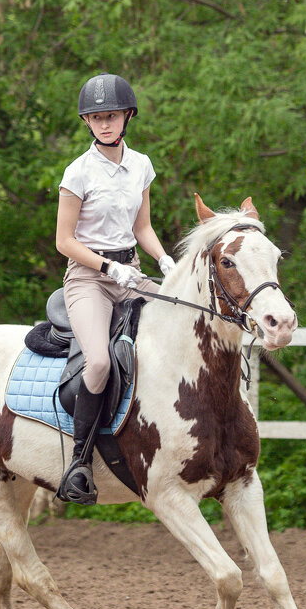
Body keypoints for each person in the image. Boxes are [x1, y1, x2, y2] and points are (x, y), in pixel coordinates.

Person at [54, 73, 175, 505]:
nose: (105, 124)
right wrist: (107, 266)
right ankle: (79, 464)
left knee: (178, 329)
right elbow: (63, 240)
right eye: (96, 117)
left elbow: (141, 226)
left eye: (112, 116)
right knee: (101, 363)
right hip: (90, 279)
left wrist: (163, 260)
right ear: (88, 122)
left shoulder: (141, 164)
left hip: (132, 270)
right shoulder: (78, 171)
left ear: (127, 117)